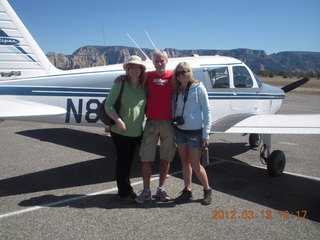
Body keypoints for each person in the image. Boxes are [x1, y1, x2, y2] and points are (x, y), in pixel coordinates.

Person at [134, 50, 176, 203]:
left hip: (168, 123)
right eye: (156, 61)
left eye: (161, 60)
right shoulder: (148, 76)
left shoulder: (173, 77)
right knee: (146, 158)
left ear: (166, 61)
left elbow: (188, 82)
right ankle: (146, 190)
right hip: (151, 122)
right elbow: (133, 79)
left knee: (166, 157)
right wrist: (121, 77)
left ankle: (161, 189)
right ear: (152, 62)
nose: (159, 63)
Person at [105, 55, 146, 204]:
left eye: (137, 68)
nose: (134, 70)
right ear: (127, 70)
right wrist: (118, 121)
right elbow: (108, 105)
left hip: (136, 131)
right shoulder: (120, 84)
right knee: (123, 161)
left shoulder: (143, 87)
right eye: (131, 68)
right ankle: (123, 193)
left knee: (129, 161)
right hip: (120, 130)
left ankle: (127, 188)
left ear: (141, 70)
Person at [172, 62, 213, 205]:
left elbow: (207, 111)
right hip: (180, 131)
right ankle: (187, 190)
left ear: (189, 72)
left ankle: (207, 189)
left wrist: (206, 133)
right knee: (184, 162)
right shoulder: (177, 90)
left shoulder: (198, 87)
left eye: (183, 72)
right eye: (177, 73)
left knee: (195, 164)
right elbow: (174, 108)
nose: (180, 75)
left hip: (195, 133)